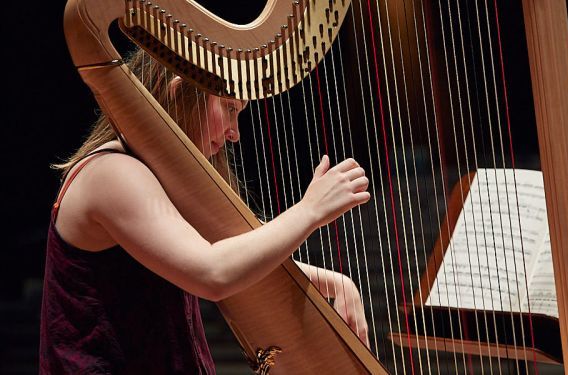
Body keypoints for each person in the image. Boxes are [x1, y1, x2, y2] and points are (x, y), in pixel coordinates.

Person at [40, 49, 371, 373]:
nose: (235, 133)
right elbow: (213, 272)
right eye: (229, 108)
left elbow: (231, 253)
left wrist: (334, 282)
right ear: (180, 91)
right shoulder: (111, 173)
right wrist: (309, 210)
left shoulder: (155, 177)